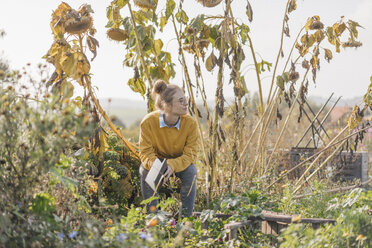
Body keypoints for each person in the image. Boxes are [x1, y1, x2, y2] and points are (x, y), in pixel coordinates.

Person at [139, 79, 199, 217]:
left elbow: (190, 154)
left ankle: (185, 218)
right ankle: (153, 216)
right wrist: (158, 167)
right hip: (156, 161)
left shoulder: (190, 124)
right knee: (144, 170)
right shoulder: (148, 122)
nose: (186, 103)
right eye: (181, 100)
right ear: (167, 105)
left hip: (180, 162)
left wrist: (172, 165)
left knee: (191, 171)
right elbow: (145, 153)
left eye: (186, 99)